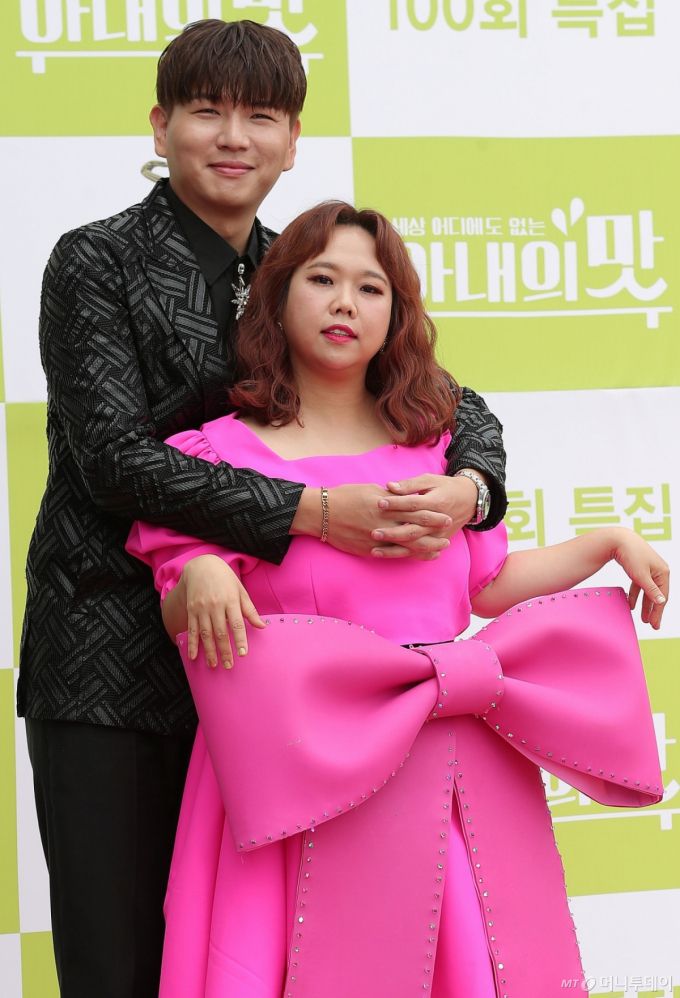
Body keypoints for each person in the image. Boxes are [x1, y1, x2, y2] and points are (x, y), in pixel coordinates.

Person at [17, 18, 509, 998]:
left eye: (262, 117)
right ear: (161, 126)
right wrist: (315, 514)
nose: (233, 137)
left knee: (267, 963)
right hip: (115, 671)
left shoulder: (307, 266)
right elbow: (114, 461)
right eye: (207, 111)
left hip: (275, 685)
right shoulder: (96, 260)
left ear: (292, 142)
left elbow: (453, 403)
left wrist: (473, 489)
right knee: (119, 963)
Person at [127, 201, 668, 997]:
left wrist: (606, 543)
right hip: (294, 772)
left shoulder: (442, 457)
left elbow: (487, 587)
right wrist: (200, 569)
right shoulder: (213, 456)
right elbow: (185, 610)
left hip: (442, 769)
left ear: (396, 315)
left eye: (370, 288)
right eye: (322, 279)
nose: (345, 303)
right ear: (278, 297)